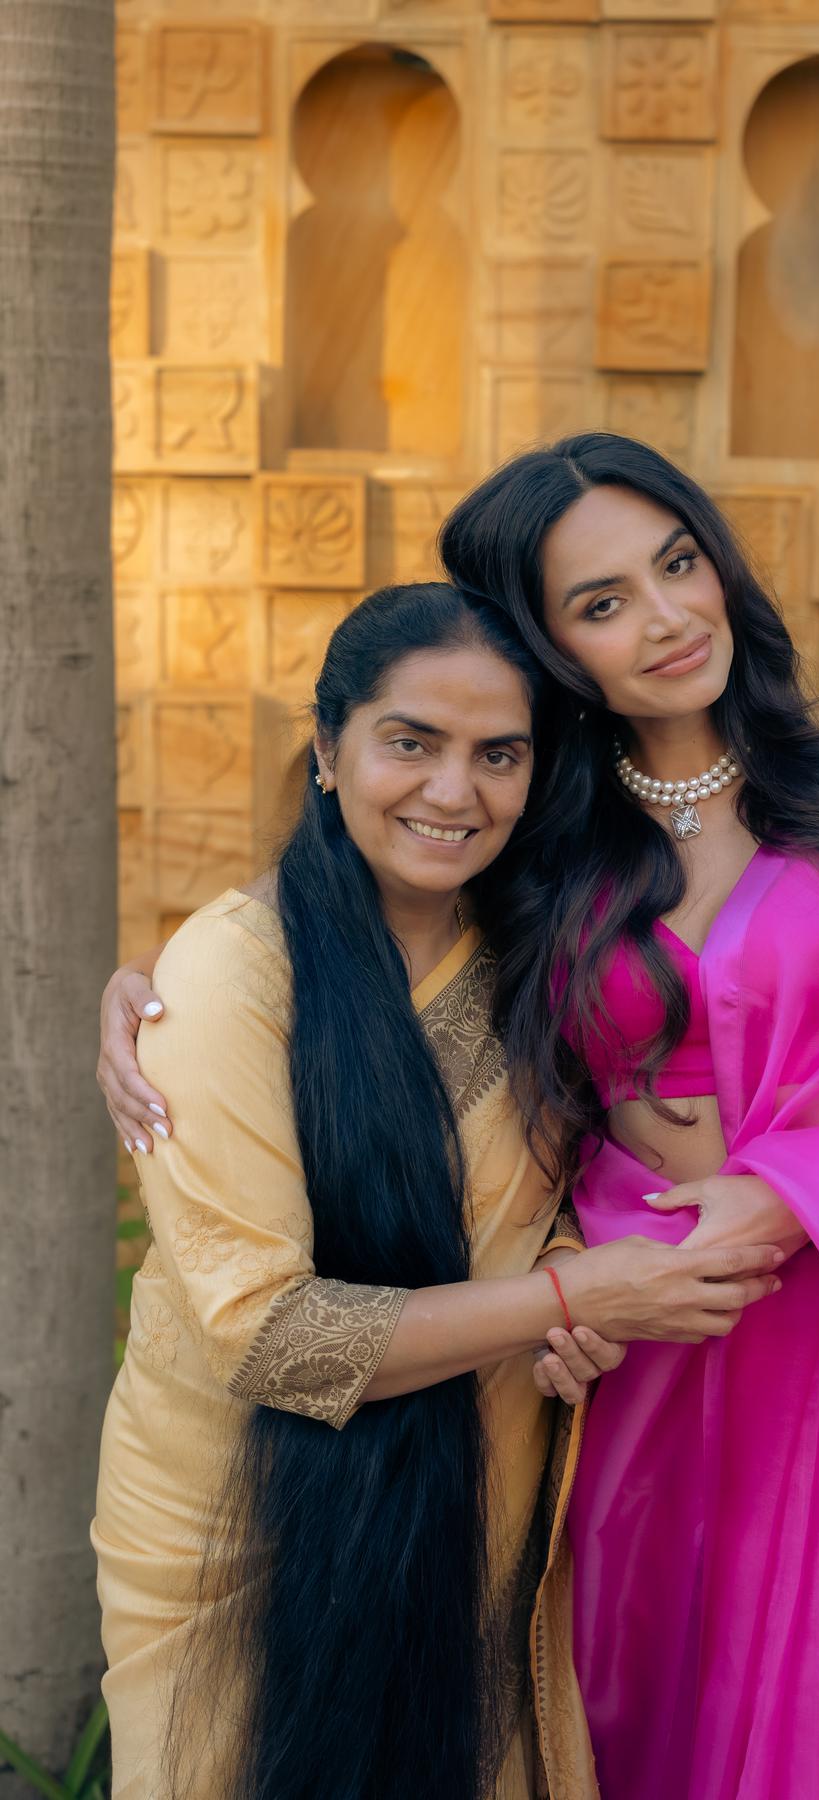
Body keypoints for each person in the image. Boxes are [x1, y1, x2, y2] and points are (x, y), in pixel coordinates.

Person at [102, 437, 819, 1799]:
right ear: (552, 645)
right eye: (600, 603)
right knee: (634, 1724)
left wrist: (794, 1192)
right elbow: (359, 930)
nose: (664, 618)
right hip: (619, 1362)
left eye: (677, 562)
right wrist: (158, 992)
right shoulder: (545, 842)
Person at [91, 579, 783, 1800]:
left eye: (497, 755)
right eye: (410, 742)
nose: (453, 792)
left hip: (479, 1491)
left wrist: (572, 1318)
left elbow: (560, 1188)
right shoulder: (231, 979)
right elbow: (276, 1337)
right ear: (327, 749)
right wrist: (582, 1293)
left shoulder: (538, 948)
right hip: (238, 1519)